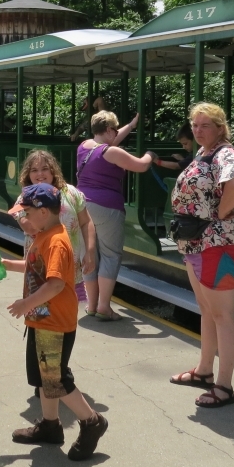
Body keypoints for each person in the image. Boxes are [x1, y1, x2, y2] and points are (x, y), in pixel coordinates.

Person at [4, 183, 109, 461]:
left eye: (26, 212)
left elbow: (55, 284)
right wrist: (6, 264)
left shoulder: (57, 241)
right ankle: (50, 426)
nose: (23, 217)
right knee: (44, 377)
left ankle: (92, 421)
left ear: (42, 212)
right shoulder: (43, 235)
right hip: (42, 321)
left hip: (54, 323)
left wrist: (26, 304)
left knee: (56, 379)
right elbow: (34, 266)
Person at [169, 103, 234, 408]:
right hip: (197, 243)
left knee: (223, 315)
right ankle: (204, 371)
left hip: (219, 243)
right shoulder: (204, 153)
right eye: (195, 125)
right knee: (207, 310)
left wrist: (219, 213)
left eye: (205, 125)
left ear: (220, 128)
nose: (198, 130)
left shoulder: (225, 153)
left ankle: (224, 386)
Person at [76, 110, 156, 320]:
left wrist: (131, 125)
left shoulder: (84, 146)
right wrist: (151, 154)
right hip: (106, 208)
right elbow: (141, 165)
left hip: (82, 207)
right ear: (109, 129)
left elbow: (111, 140)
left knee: (89, 255)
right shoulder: (112, 152)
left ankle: (91, 305)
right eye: (115, 129)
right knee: (110, 255)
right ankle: (104, 307)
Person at [19, 150, 97, 312]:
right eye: (34, 170)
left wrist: (90, 252)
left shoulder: (71, 193)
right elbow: (29, 227)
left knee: (66, 316)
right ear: (28, 174)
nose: (40, 174)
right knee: (42, 319)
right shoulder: (25, 198)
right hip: (40, 274)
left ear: (53, 170)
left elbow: (86, 222)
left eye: (45, 169)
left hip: (69, 269)